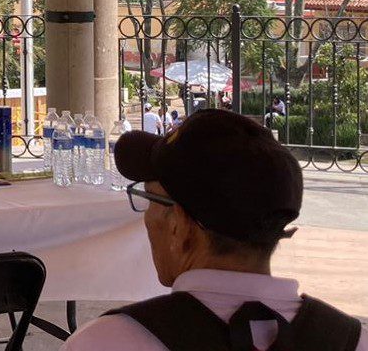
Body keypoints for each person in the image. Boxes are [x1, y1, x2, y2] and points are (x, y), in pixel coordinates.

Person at [63, 109, 366, 351]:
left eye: (150, 200)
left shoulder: (104, 342)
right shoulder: (353, 340)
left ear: (180, 227)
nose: (148, 218)